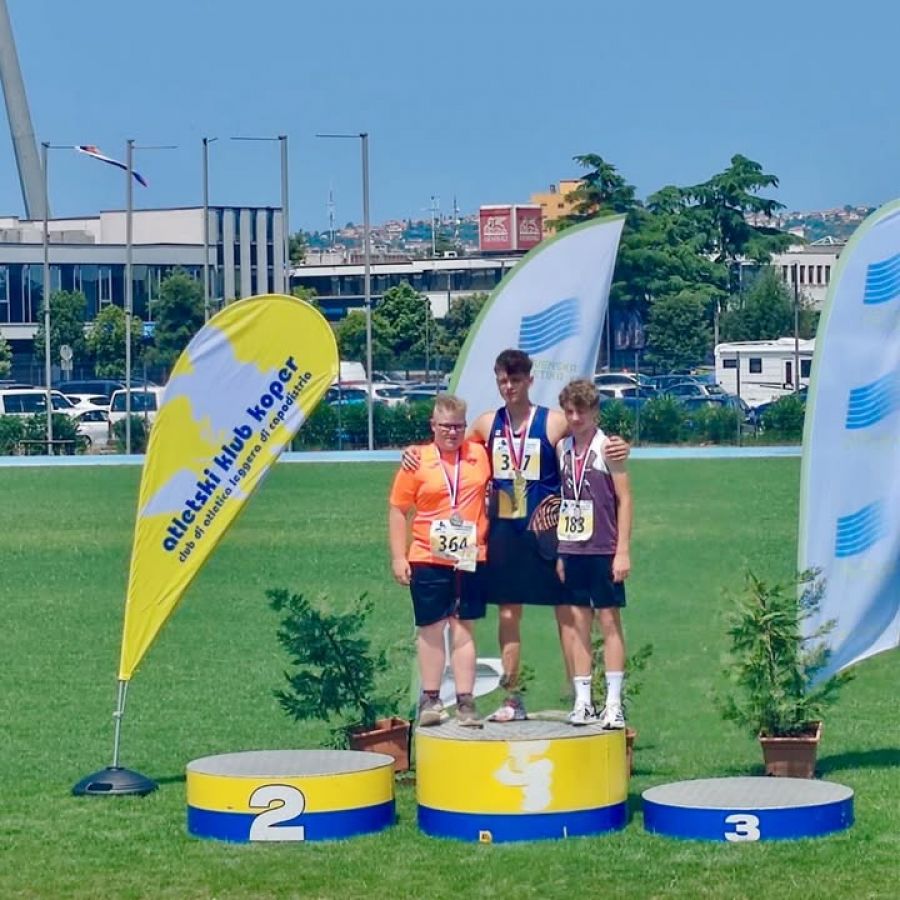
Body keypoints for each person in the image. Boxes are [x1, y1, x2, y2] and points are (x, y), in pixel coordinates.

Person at [402, 350, 629, 722]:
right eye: (503, 381)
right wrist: (414, 451)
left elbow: (591, 435)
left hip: (547, 532)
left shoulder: (553, 421)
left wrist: (620, 445)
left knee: (569, 613)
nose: (509, 387)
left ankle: (581, 697)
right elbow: (448, 445)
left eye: (516, 380)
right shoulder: (487, 423)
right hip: (505, 531)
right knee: (508, 614)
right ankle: (513, 697)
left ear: (529, 380)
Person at [389, 393, 491, 728]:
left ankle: (465, 701)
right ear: (433, 425)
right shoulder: (416, 460)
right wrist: (398, 556)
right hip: (427, 556)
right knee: (431, 627)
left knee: (464, 627)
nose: (452, 432)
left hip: (469, 555)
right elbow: (398, 509)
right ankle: (431, 699)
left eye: (458, 426)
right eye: (445, 426)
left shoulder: (479, 454)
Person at [554, 379, 632, 728]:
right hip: (571, 548)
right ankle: (583, 701)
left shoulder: (607, 448)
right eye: (570, 412)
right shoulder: (562, 448)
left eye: (581, 412)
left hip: (603, 548)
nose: (575, 418)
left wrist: (622, 551)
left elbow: (625, 500)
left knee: (609, 622)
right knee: (578, 624)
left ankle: (613, 703)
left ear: (595, 412)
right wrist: (560, 552)